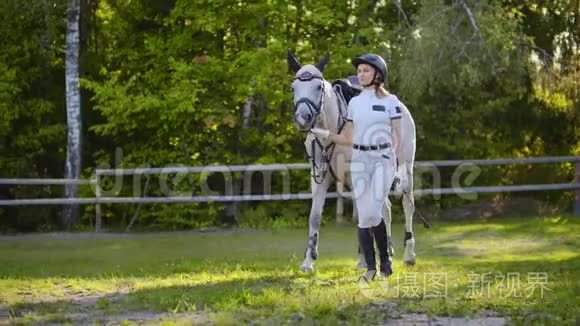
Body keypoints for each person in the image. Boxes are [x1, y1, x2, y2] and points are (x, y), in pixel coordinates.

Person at [311, 53, 402, 281]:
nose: (360, 74)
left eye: (366, 70)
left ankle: (384, 260)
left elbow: (397, 136)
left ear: (378, 75)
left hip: (383, 160)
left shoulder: (391, 102)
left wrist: (397, 166)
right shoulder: (354, 103)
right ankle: (374, 268)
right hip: (360, 160)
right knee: (363, 217)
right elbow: (347, 138)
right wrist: (326, 134)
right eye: (359, 71)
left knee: (372, 211)